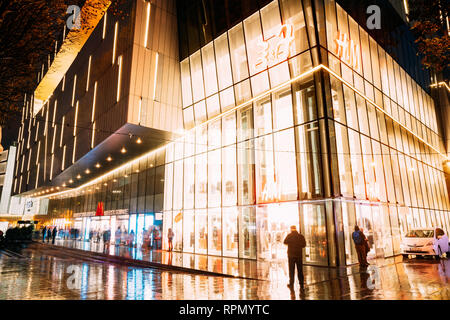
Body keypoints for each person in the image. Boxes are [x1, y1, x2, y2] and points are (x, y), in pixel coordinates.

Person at [283, 225, 306, 289]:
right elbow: (304, 244)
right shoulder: (301, 236)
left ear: (291, 229)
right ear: (296, 229)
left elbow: (284, 242)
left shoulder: (289, 236)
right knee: (300, 270)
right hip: (299, 255)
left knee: (291, 270)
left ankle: (291, 283)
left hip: (291, 255)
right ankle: (301, 284)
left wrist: (290, 243)